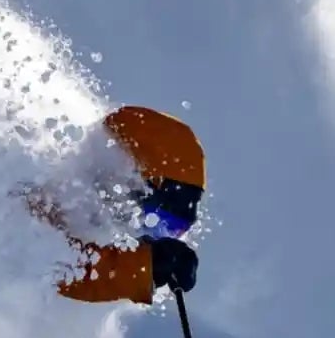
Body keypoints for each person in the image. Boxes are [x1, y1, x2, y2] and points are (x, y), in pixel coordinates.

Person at [21, 104, 204, 303]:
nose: (148, 235)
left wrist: (147, 266)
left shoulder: (81, 216)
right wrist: (143, 267)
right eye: (156, 218)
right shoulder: (22, 178)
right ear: (132, 180)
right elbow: (43, 255)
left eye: (169, 229)